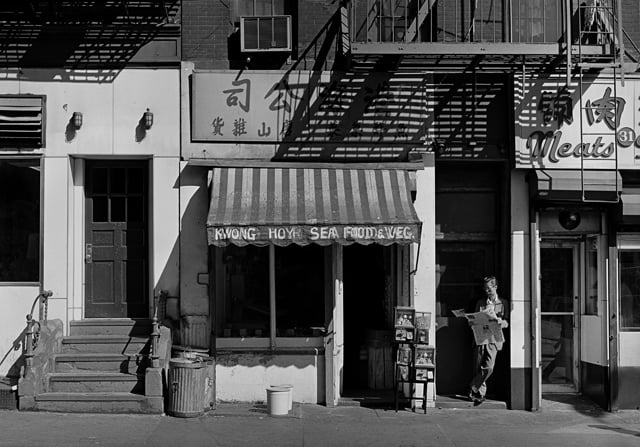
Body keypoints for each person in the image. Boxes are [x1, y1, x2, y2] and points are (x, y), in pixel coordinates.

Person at [468, 276, 509, 404]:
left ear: (495, 287)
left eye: (489, 288)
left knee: (489, 367)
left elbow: (507, 322)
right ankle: (480, 394)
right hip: (481, 337)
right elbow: (474, 320)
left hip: (494, 339)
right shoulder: (480, 303)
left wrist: (501, 322)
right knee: (478, 366)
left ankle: (473, 386)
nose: (487, 291)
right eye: (485, 289)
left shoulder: (503, 303)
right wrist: (472, 322)